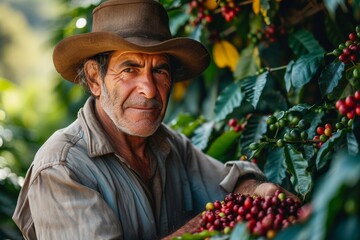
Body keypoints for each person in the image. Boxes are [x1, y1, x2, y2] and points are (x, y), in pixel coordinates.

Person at [12, 0, 299, 239]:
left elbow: (228, 185)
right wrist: (209, 221)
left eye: (160, 71)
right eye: (129, 69)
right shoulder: (61, 169)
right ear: (94, 78)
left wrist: (257, 190)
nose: (149, 89)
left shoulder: (168, 145)